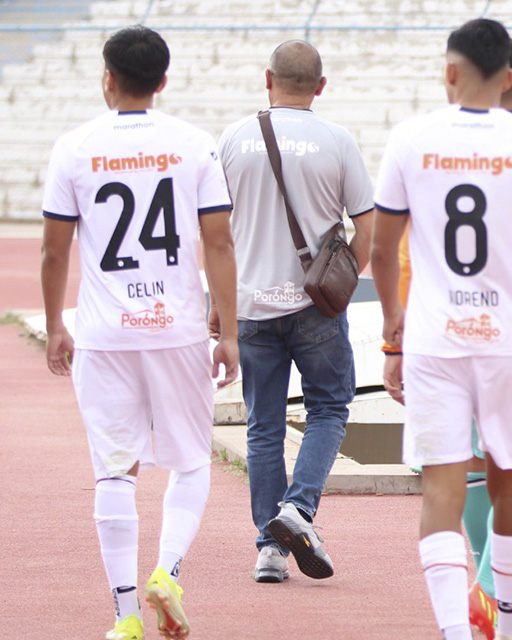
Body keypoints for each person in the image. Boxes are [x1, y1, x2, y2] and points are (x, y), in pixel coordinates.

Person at [371, 19, 512, 640]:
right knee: (511, 481)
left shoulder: (410, 138)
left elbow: (383, 251)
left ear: (449, 71)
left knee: (441, 484)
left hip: (436, 338)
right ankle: (511, 629)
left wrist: (393, 334)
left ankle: (454, 632)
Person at [40, 25, 238, 640]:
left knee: (113, 471)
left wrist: (54, 325)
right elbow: (219, 239)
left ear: (107, 77)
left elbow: (53, 251)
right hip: (175, 328)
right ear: (163, 80)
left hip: (103, 334)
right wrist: (227, 327)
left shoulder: (73, 147)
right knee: (193, 462)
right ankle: (168, 571)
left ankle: (125, 617)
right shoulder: (192, 143)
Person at [217, 39, 373, 584]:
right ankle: (298, 510)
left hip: (252, 303)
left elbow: (214, 233)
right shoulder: (338, 140)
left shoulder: (234, 139)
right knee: (329, 409)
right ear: (321, 86)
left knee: (262, 426)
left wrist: (218, 305)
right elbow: (366, 226)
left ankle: (269, 549)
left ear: (268, 79)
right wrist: (346, 280)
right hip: (317, 303)